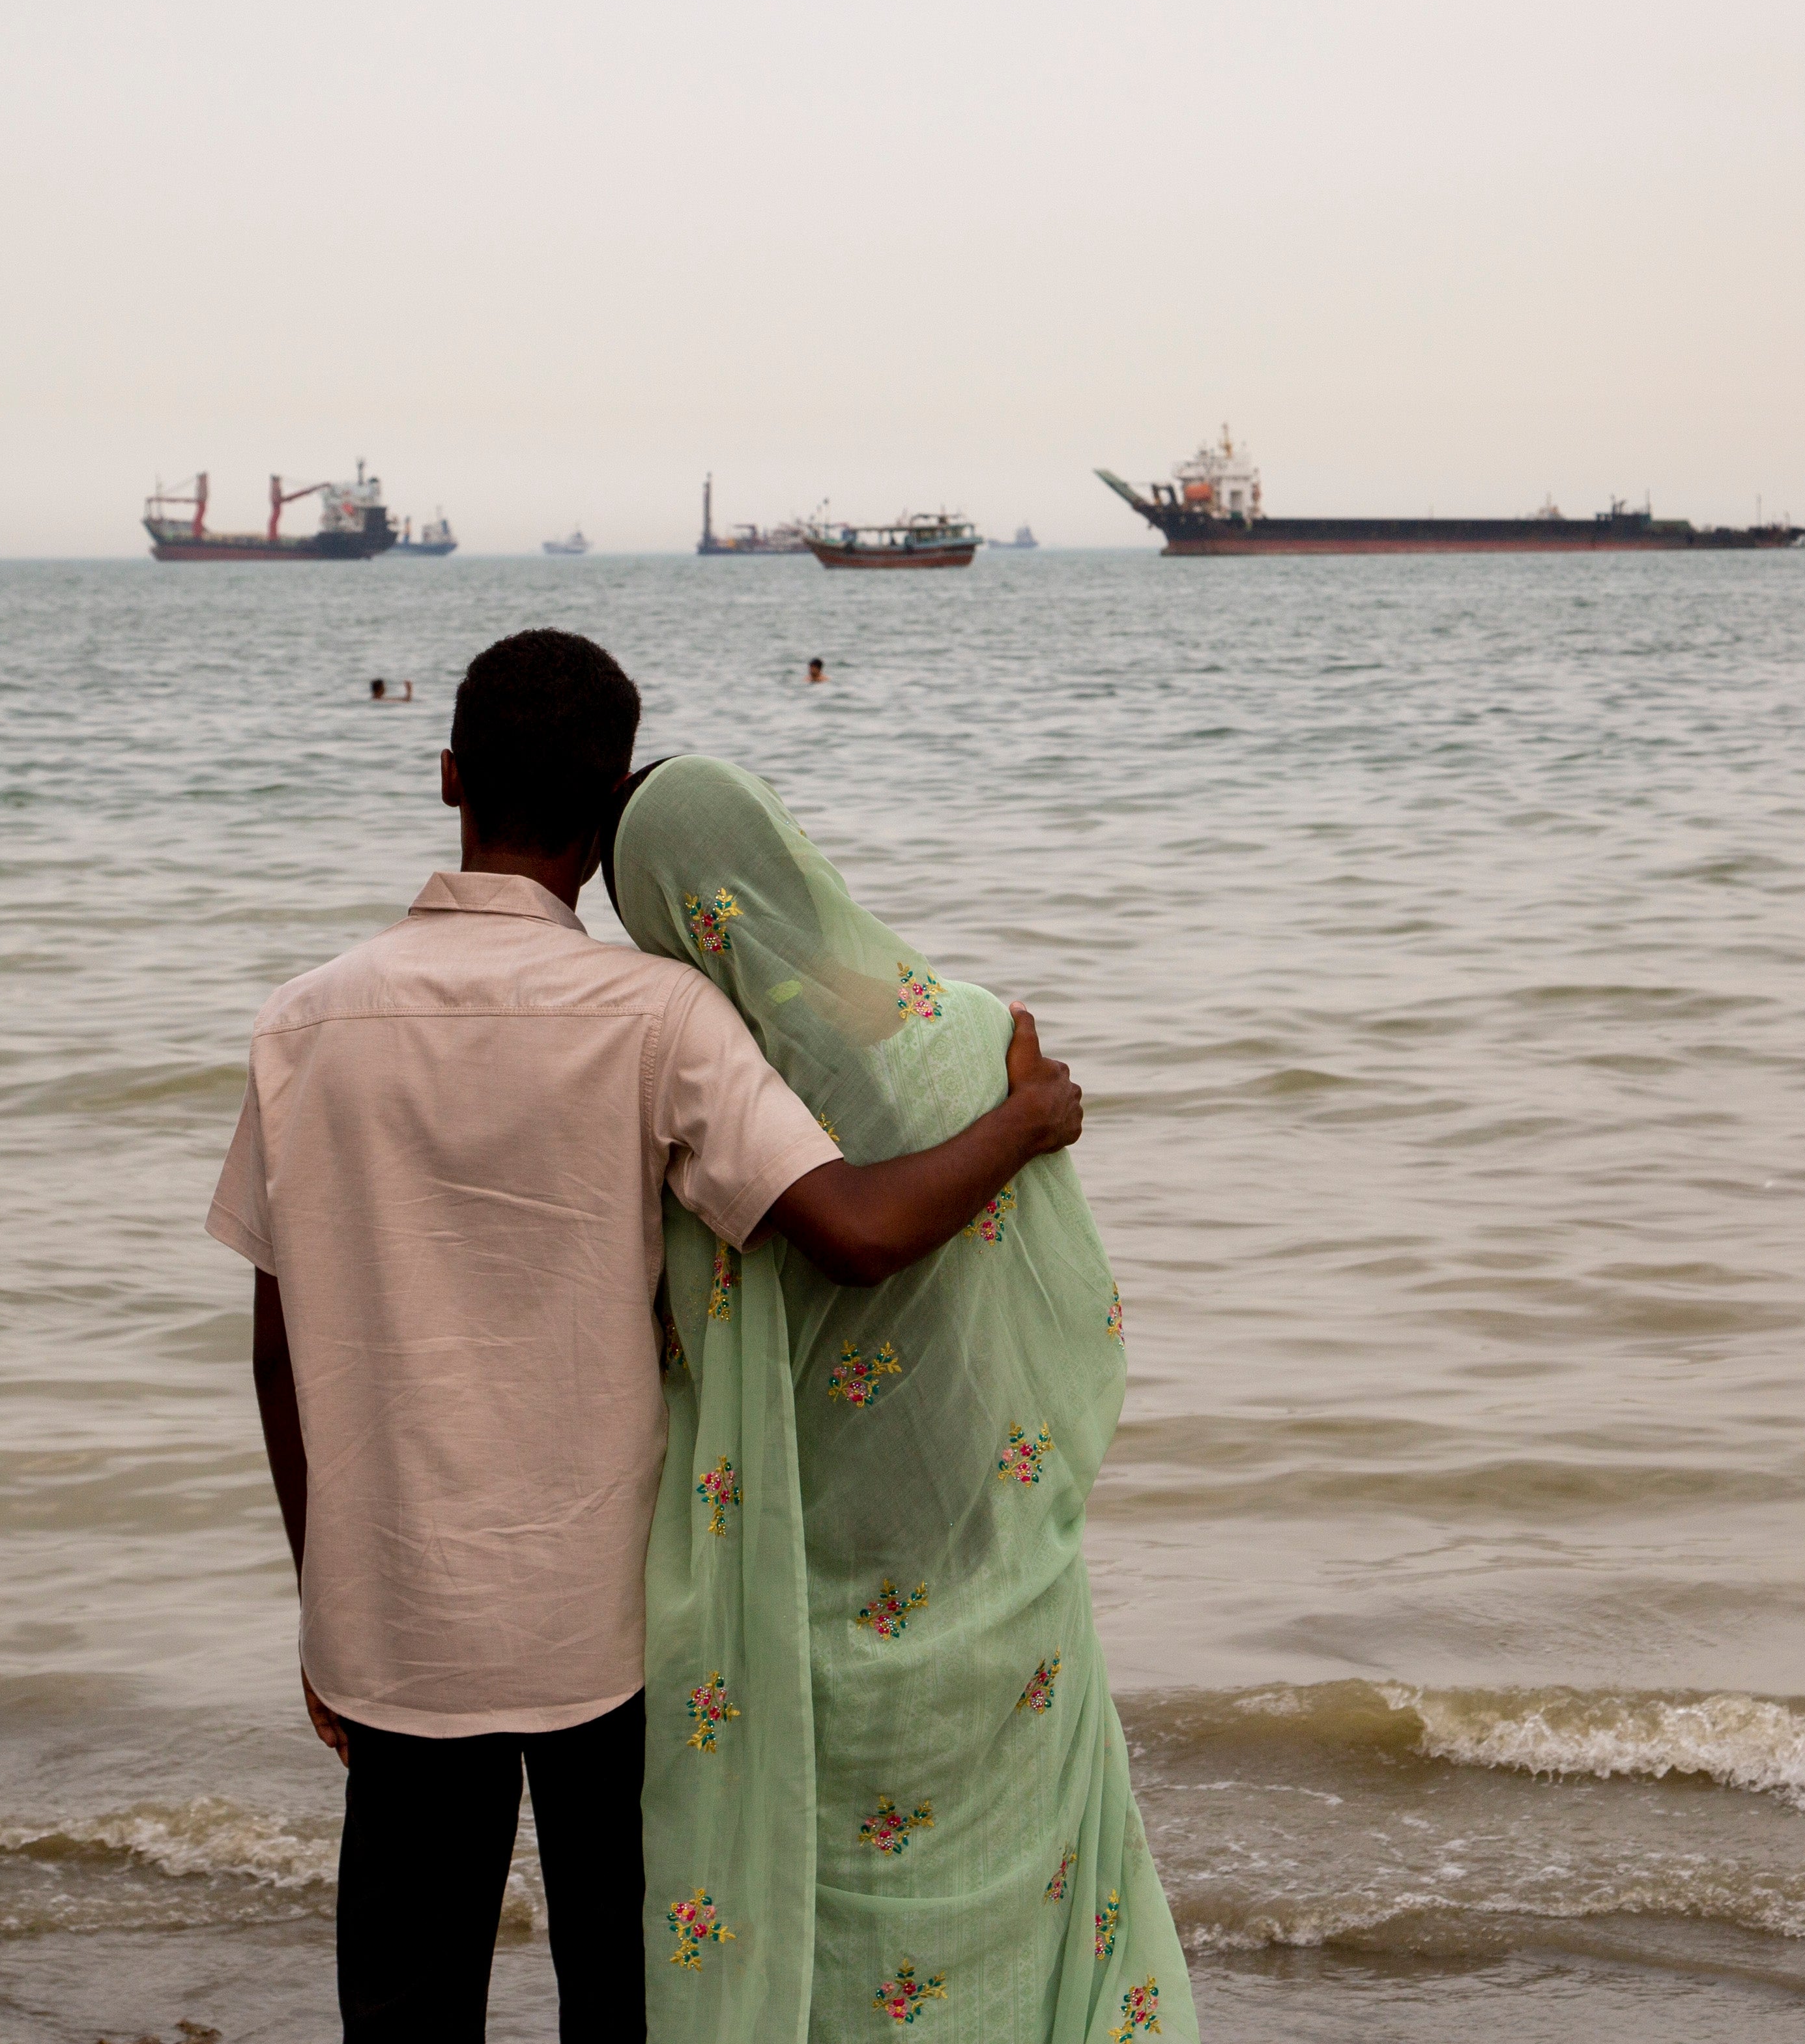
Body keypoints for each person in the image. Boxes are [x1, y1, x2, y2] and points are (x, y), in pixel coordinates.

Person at [209, 631, 1084, 2044]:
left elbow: (276, 1343)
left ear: (447, 778)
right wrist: (1022, 1122)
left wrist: (326, 1592)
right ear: (616, 797)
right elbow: (855, 1230)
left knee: (405, 2004)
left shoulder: (307, 1022)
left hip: (395, 1618)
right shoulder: (654, 1015)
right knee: (625, 2002)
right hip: (604, 1626)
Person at [608, 756, 1196, 2044]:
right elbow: (1069, 1303)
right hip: (988, 1551)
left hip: (812, 1569)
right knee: (1024, 1891)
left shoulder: (691, 1098)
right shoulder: (981, 1037)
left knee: (854, 1913)